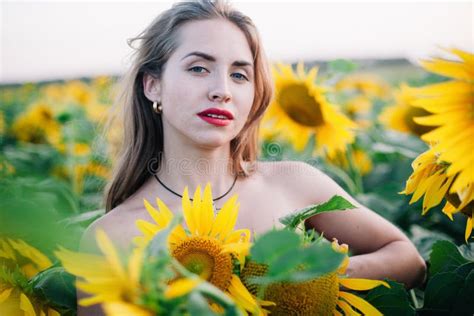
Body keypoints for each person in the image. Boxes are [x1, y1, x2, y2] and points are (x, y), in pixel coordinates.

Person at [79, 0, 426, 314]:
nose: (222, 90)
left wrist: (319, 278)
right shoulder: (111, 238)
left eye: (239, 75)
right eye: (199, 68)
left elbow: (409, 260)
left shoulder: (293, 183)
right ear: (153, 85)